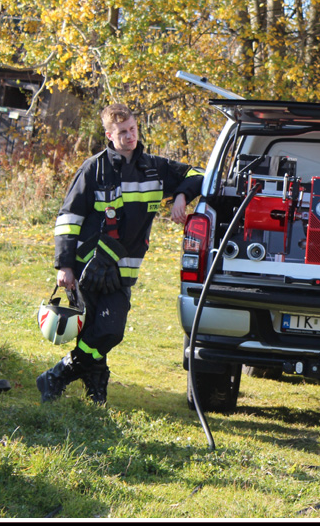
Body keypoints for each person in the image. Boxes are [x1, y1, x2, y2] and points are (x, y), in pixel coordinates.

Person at [36, 103, 204, 405]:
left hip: (123, 272)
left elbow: (198, 173)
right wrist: (65, 266)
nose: (130, 136)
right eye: (123, 132)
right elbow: (68, 219)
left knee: (110, 330)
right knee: (96, 330)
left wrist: (181, 194)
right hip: (88, 268)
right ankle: (95, 389)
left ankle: (59, 374)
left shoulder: (154, 168)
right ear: (109, 135)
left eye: (133, 129)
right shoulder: (93, 169)